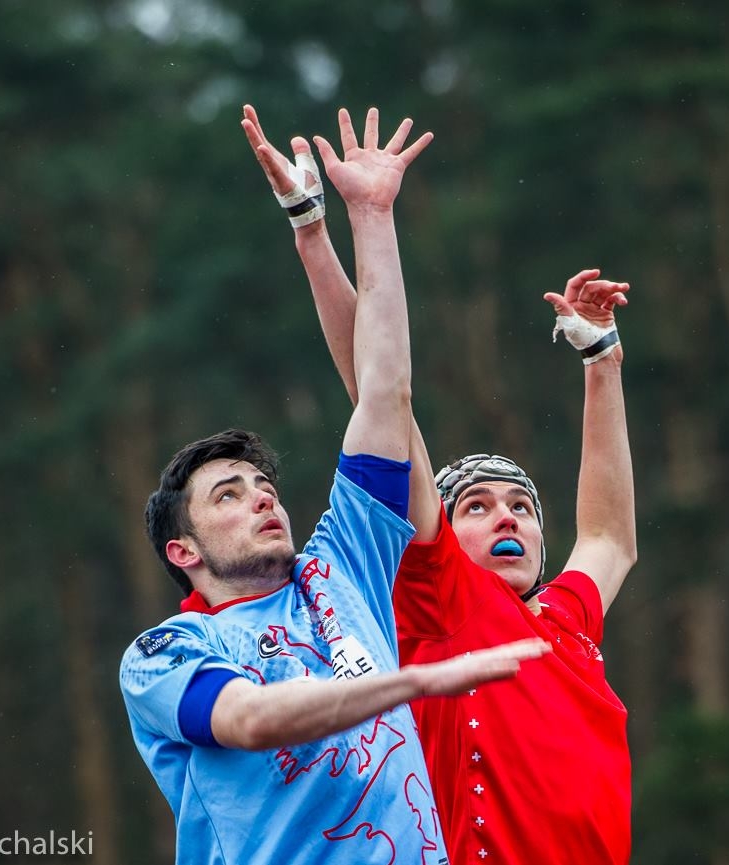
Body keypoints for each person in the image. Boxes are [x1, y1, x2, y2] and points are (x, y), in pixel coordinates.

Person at [119, 106, 549, 865]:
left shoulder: (341, 564)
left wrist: (368, 217)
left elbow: (386, 394)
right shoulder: (167, 651)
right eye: (228, 494)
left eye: (262, 484)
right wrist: (413, 683)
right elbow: (252, 719)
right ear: (181, 550)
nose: (261, 497)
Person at [243, 104, 637, 865]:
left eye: (522, 505)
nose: (507, 516)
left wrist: (602, 362)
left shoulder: (566, 620)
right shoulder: (441, 592)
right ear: (438, 532)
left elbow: (609, 536)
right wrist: (325, 229)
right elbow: (381, 394)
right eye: (478, 506)